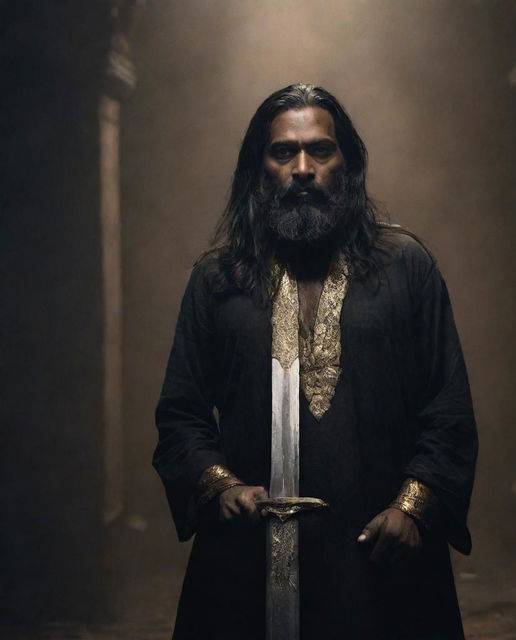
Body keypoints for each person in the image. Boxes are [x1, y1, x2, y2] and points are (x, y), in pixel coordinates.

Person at [153, 83, 478, 640]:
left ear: (346, 165)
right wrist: (220, 485)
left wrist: (413, 506)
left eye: (320, 151)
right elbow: (181, 415)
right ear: (259, 169)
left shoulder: (406, 267)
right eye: (283, 152)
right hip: (246, 562)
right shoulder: (216, 280)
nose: (302, 167)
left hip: (380, 559)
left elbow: (447, 409)